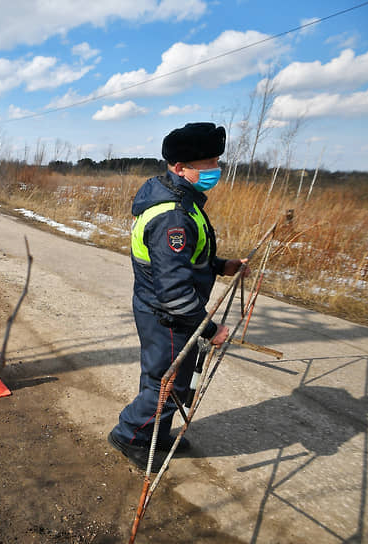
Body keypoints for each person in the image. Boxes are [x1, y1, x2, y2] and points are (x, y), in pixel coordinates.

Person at [108, 122, 247, 472]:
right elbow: (173, 290)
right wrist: (209, 327)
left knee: (165, 379)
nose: (215, 169)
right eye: (208, 163)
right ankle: (131, 434)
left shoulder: (181, 200)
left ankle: (157, 432)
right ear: (180, 168)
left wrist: (220, 265)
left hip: (166, 311)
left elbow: (185, 259)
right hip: (168, 316)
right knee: (167, 383)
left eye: (216, 161)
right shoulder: (172, 214)